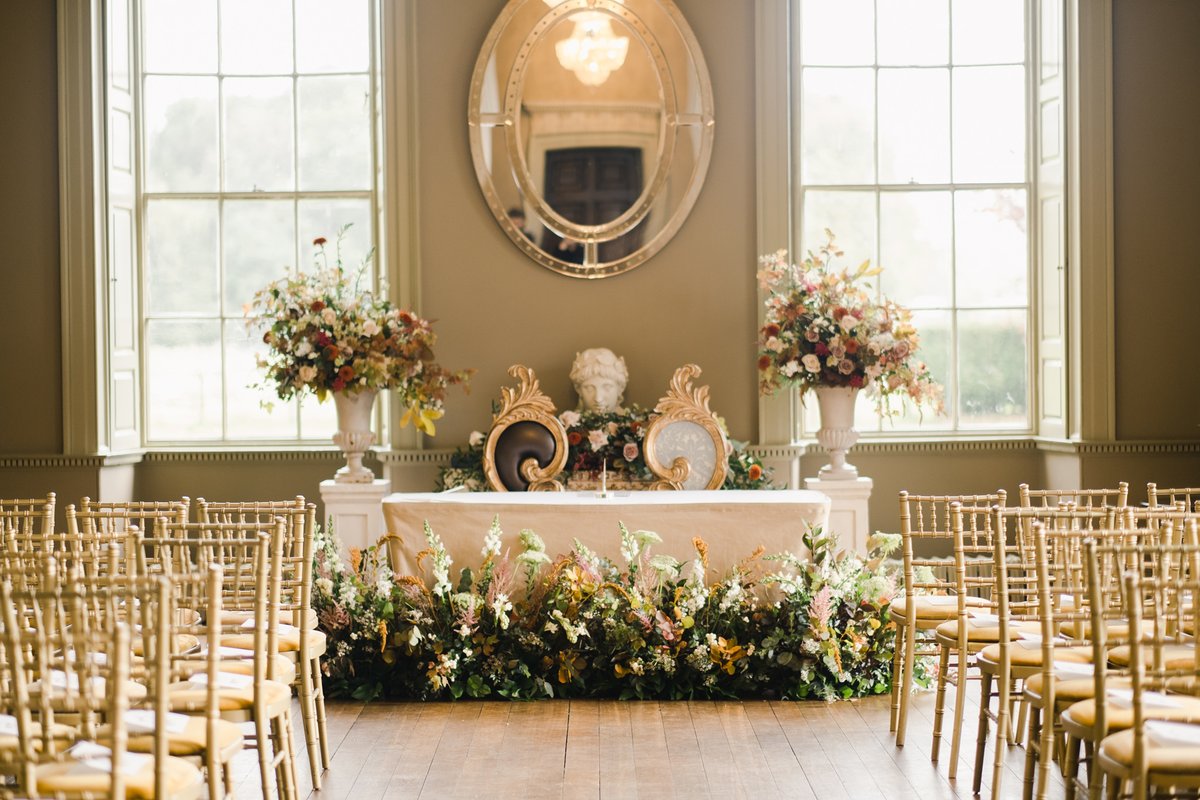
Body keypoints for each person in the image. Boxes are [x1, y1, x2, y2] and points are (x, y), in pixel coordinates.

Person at [570, 348, 629, 413]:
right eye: (589, 388)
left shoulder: (632, 422)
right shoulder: (569, 422)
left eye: (607, 387)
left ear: (620, 388)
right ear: (578, 389)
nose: (598, 399)